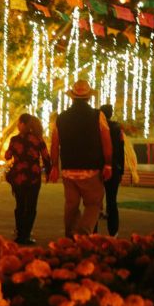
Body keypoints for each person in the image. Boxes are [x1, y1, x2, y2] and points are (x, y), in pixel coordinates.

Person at [49, 80, 113, 238]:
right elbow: (106, 142)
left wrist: (54, 166)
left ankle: (70, 238)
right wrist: (108, 164)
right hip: (91, 169)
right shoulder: (98, 115)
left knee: (71, 205)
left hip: (68, 169)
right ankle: (83, 233)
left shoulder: (61, 118)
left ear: (72, 97)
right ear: (88, 98)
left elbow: (54, 144)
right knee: (94, 204)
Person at [5, 114, 51, 245]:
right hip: (33, 177)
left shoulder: (14, 140)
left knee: (20, 205)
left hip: (19, 177)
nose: (18, 125)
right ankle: (26, 234)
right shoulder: (38, 139)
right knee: (31, 206)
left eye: (19, 123)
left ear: (23, 124)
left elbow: (7, 156)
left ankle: (20, 233)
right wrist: (48, 172)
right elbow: (46, 157)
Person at [98, 104, 124, 237]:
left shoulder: (97, 127)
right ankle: (113, 233)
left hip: (97, 167)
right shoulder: (117, 128)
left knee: (95, 202)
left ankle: (93, 232)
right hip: (114, 167)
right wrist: (121, 170)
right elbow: (121, 149)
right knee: (112, 201)